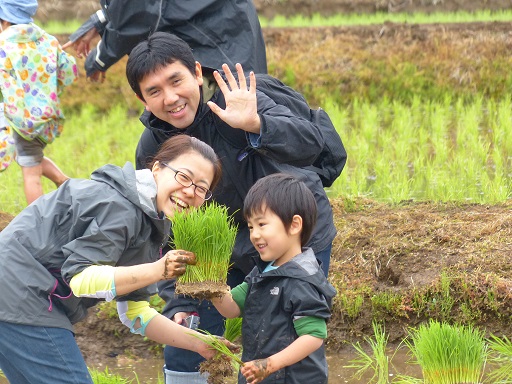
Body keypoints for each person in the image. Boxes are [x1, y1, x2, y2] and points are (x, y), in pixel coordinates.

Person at [125, 32, 339, 383]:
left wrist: (257, 125)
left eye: (176, 80)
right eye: (154, 91)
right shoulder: (154, 147)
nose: (171, 98)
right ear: (143, 99)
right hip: (217, 251)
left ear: (197, 71)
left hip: (289, 235)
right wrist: (178, 301)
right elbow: (162, 229)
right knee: (188, 334)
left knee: (280, 342)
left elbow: (311, 144)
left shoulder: (242, 98)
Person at [0, 135, 237, 384]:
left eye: (201, 188)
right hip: (20, 294)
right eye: (184, 177)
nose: (190, 192)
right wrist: (158, 270)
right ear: (157, 168)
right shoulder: (120, 206)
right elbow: (81, 279)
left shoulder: (151, 220)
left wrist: (199, 343)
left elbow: (135, 313)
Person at [212, 173, 336, 384]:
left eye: (262, 224)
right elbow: (231, 308)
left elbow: (313, 336)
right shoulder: (262, 272)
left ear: (294, 225)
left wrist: (270, 364)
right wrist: (211, 287)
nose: (254, 235)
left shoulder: (302, 280)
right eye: (251, 227)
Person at [62, 0, 267, 83]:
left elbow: (137, 15)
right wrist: (99, 21)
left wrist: (97, 61)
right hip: (222, 31)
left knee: (225, 138)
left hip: (219, 43)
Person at [0, 0, 78, 204]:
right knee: (31, 157)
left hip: (20, 120)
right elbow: (68, 72)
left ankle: (38, 221)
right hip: (45, 115)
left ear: (5, 20)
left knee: (31, 173)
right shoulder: (47, 40)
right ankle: (65, 182)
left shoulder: (3, 44)